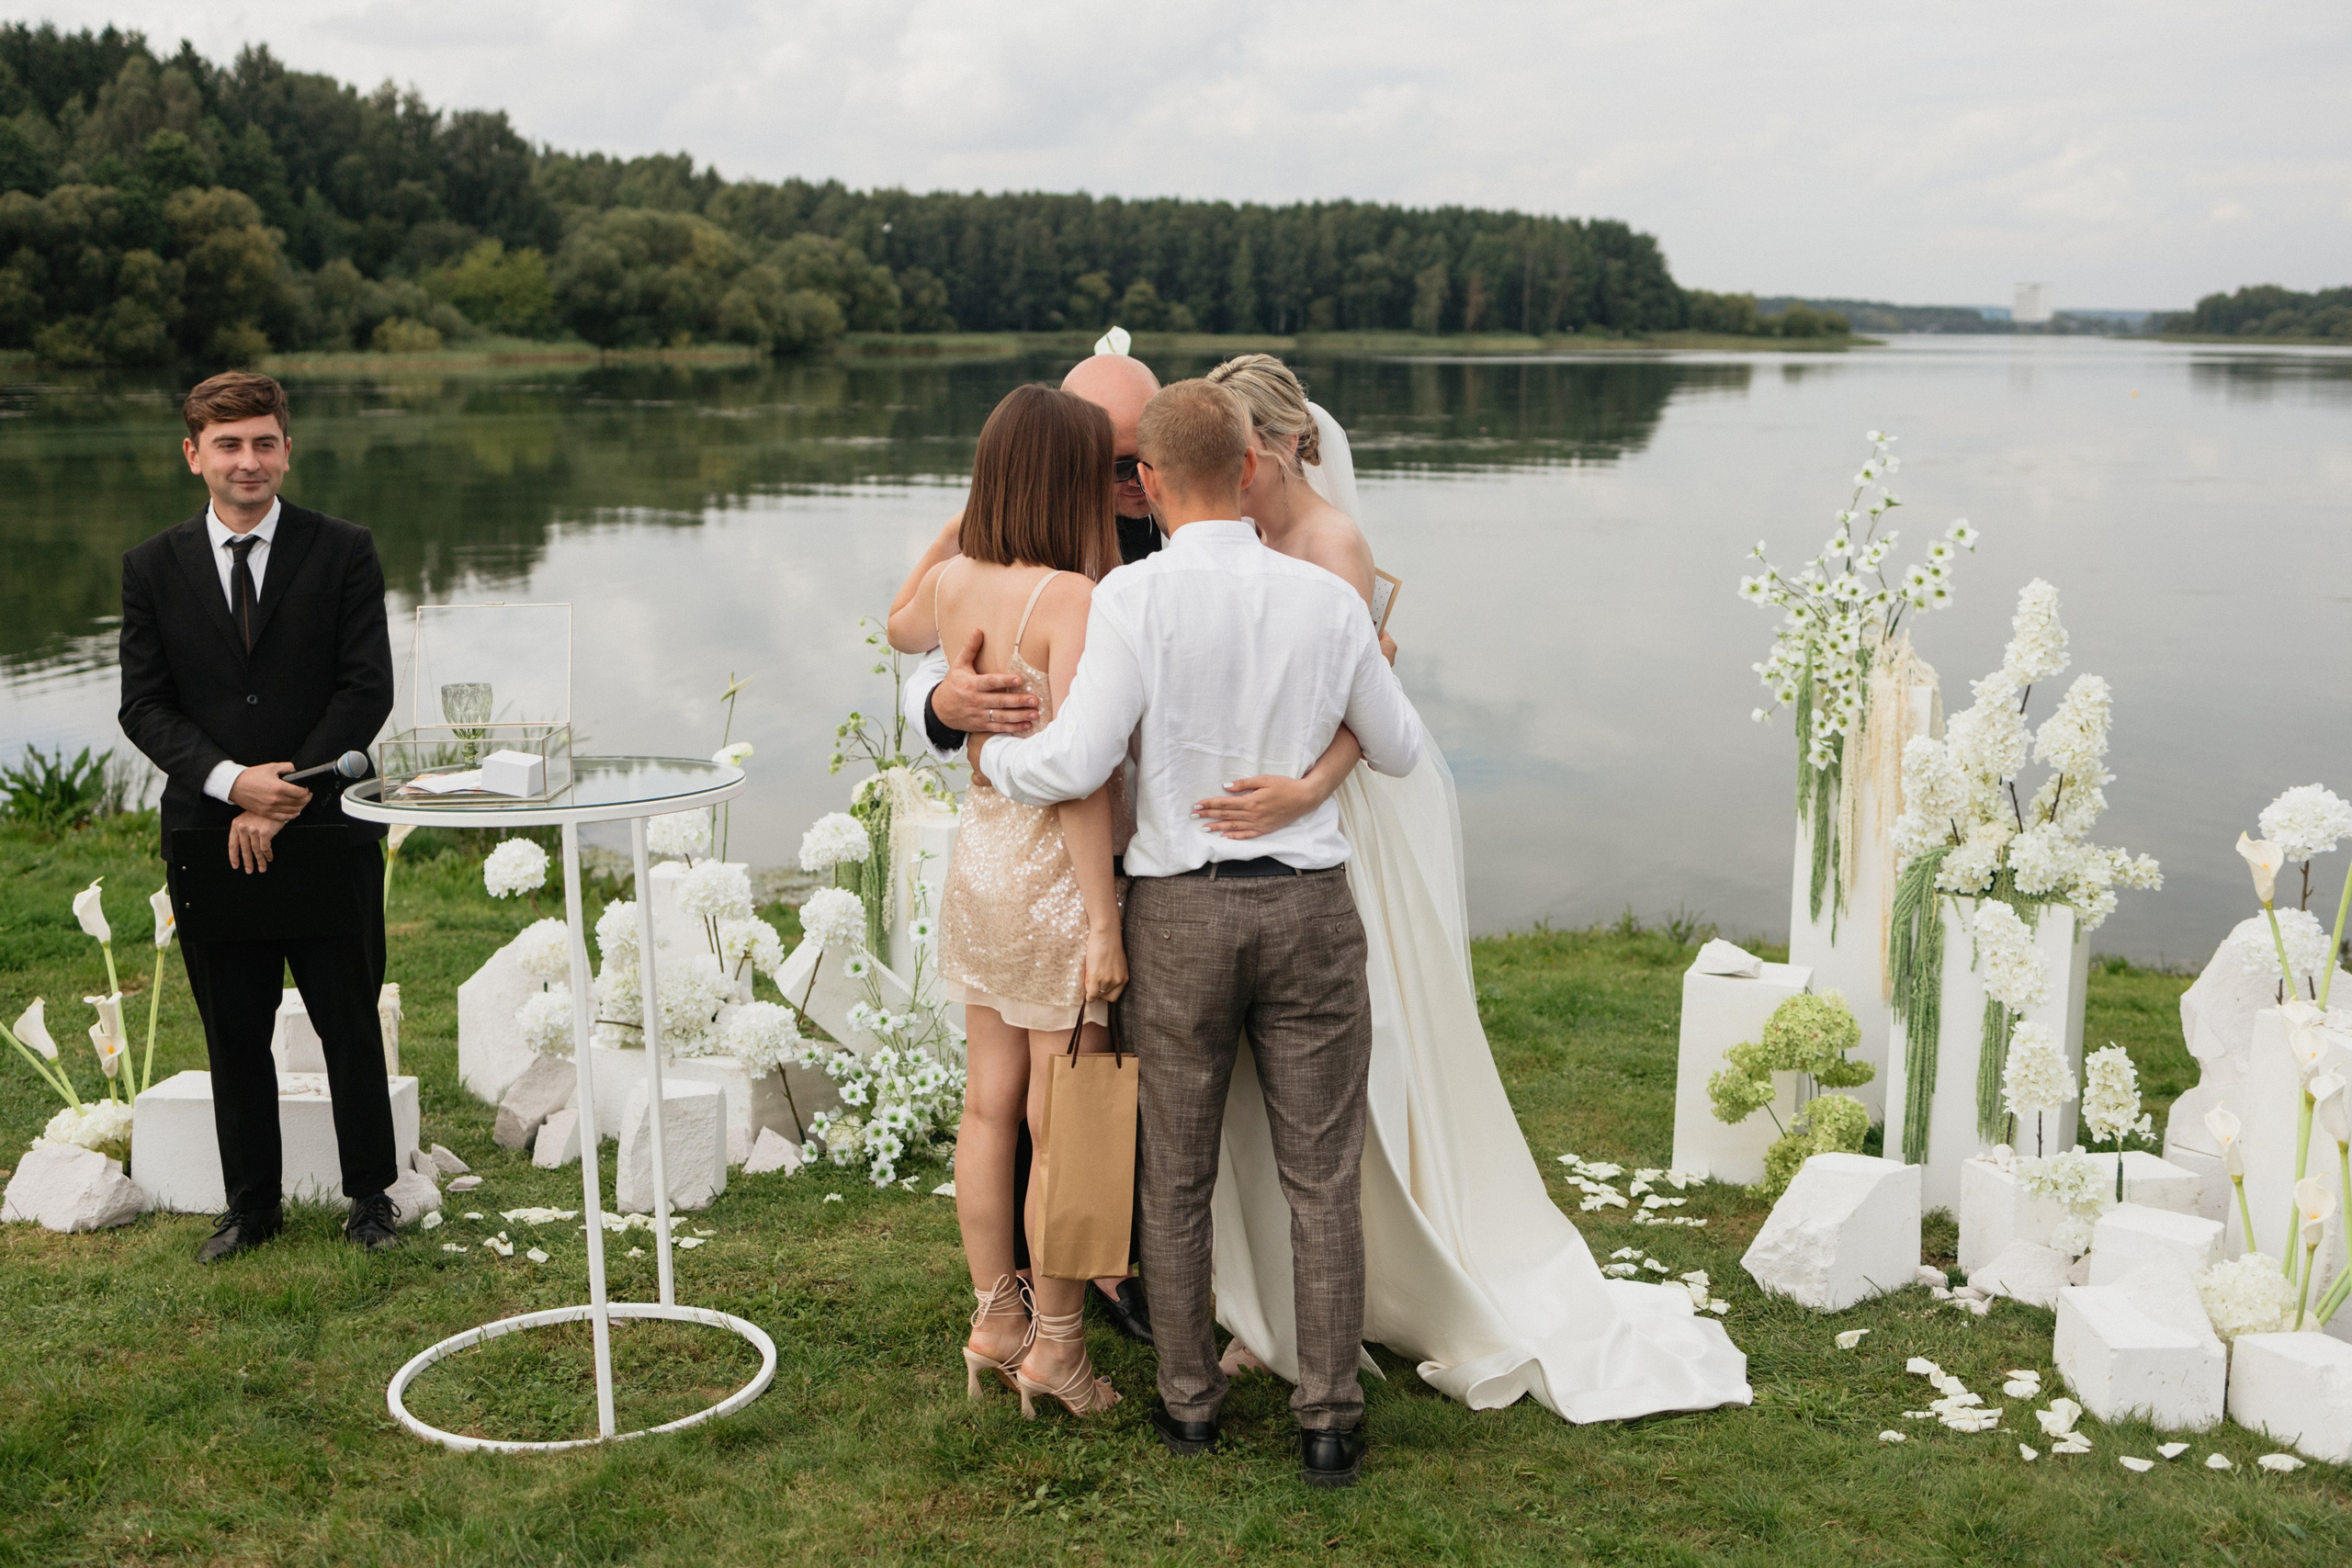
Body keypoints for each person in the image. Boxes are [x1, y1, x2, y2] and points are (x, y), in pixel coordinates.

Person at [1186, 354, 1753, 1424]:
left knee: (1364, 1040)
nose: (1232, 481)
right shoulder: (1243, 538)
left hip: (1328, 818)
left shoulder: (1333, 545)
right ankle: (1276, 1293)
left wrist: (1301, 789)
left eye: (1243, 463)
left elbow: (1355, 708)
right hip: (1257, 818)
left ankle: (1363, 1278)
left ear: (1284, 450)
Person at [975, 378, 1422, 1489]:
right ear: (1251, 469)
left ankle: (1189, 1407)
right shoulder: (1324, 601)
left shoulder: (1133, 600)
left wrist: (992, 757)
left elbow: (1076, 764)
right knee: (1320, 1177)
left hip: (1177, 914)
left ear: (1156, 483)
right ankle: (1328, 1417)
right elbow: (1400, 747)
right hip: (1309, 911)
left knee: (1173, 1174)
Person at [889, 345, 1159, 1345]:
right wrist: (1100, 924)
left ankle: (992, 1318)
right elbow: (1082, 776)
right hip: (1054, 873)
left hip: (982, 863)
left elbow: (895, 626)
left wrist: (958, 527)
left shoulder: (959, 579)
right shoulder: (1074, 597)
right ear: (1071, 480)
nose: (1123, 485)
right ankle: (1057, 1337)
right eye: (1107, 467)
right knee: (1069, 1115)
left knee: (987, 1105)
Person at [117, 370, 401, 1263]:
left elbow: (367, 688)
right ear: (193, 453)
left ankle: (371, 1200)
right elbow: (146, 706)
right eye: (229, 444)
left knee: (346, 1016)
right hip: (208, 833)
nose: (249, 460)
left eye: (265, 442)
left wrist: (288, 796)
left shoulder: (344, 549)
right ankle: (252, 1208)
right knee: (232, 1026)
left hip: (327, 828)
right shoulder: (151, 568)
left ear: (288, 448)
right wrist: (234, 784)